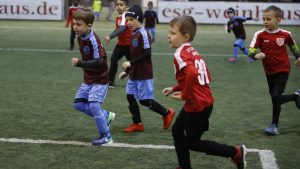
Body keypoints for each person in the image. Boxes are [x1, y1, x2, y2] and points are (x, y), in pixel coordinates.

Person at [162, 15, 246, 169]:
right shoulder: (191, 50)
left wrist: (185, 95)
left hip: (196, 104)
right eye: (169, 32)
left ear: (185, 37)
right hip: (203, 101)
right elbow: (201, 76)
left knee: (192, 143)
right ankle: (184, 166)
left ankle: (234, 152)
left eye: (173, 33)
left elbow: (193, 74)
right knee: (177, 130)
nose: (169, 35)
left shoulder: (180, 54)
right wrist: (175, 88)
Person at [118, 5, 175, 132]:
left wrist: (130, 63)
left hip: (144, 73)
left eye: (132, 19)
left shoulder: (143, 34)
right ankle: (137, 124)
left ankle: (166, 113)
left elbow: (147, 53)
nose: (129, 23)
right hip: (134, 73)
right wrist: (126, 72)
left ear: (139, 19)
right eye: (127, 20)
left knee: (144, 101)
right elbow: (135, 56)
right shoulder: (133, 34)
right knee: (130, 96)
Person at [248, 5, 300, 135]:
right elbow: (251, 51)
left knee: (276, 96)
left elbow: (293, 47)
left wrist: (298, 57)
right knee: (275, 98)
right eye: (264, 19)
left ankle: (274, 125)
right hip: (269, 71)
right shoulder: (259, 35)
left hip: (283, 69)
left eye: (268, 19)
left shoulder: (285, 34)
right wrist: (255, 56)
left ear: (278, 20)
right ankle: (296, 96)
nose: (265, 21)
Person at [71, 9, 115, 145]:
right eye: (74, 24)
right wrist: (84, 67)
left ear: (88, 26)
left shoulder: (93, 40)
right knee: (78, 104)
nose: (75, 27)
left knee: (94, 106)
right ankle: (106, 115)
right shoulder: (80, 37)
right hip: (89, 78)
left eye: (79, 25)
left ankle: (107, 136)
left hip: (100, 79)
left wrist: (80, 64)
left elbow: (100, 61)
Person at [105, 0, 131, 88]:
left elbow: (122, 28)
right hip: (120, 45)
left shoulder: (126, 16)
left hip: (128, 45)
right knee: (113, 60)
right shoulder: (119, 17)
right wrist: (110, 36)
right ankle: (110, 82)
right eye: (117, 5)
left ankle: (136, 79)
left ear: (126, 7)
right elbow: (118, 29)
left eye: (121, 5)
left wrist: (110, 37)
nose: (119, 6)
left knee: (134, 63)